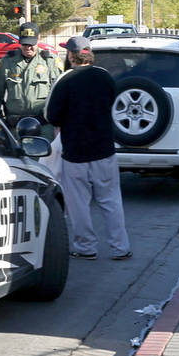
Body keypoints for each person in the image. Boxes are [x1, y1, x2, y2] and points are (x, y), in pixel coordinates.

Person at [45, 36, 132, 261]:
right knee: (111, 200)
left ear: (71, 56)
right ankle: (120, 247)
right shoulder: (105, 77)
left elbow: (51, 115)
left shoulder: (65, 80)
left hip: (75, 152)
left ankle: (86, 246)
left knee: (78, 203)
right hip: (104, 149)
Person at [0, 22, 59, 141]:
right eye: (24, 44)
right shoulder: (8, 62)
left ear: (39, 39)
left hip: (43, 126)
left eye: (31, 44)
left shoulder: (49, 61)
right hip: (15, 127)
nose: (28, 48)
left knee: (41, 157)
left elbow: (59, 95)